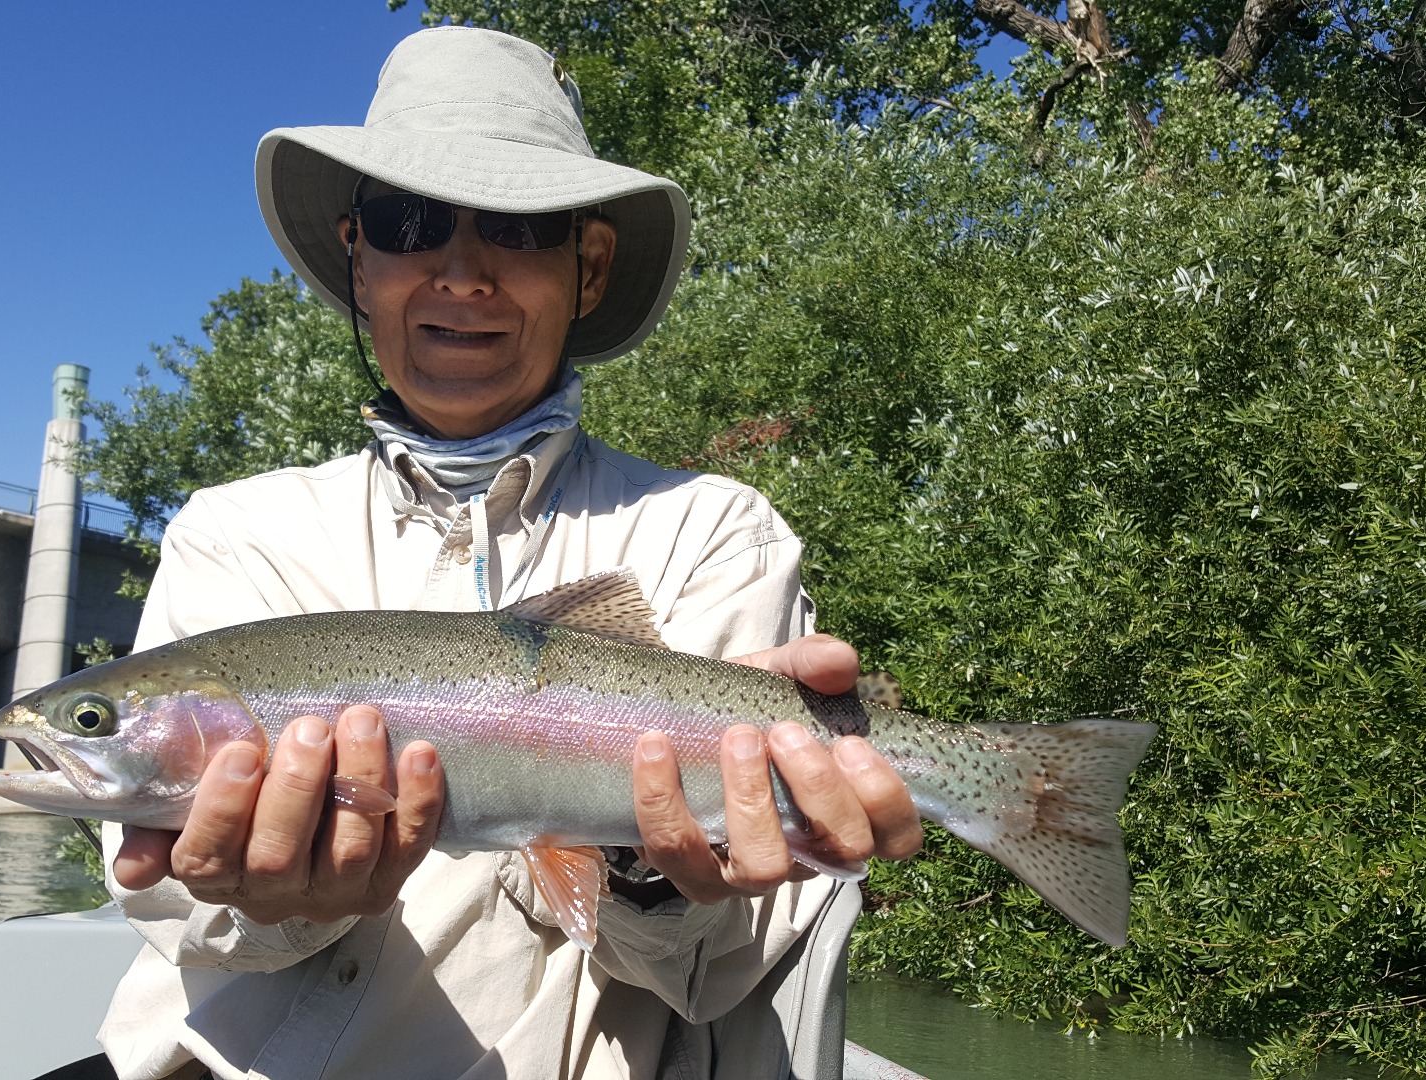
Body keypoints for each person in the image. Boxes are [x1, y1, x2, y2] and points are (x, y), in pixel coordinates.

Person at [95, 26, 921, 1080]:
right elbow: (176, 913)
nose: (462, 272)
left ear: (589, 267)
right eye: (409, 221)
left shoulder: (718, 533)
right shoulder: (236, 534)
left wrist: (651, 870)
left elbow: (712, 975)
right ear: (357, 256)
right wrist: (268, 905)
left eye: (520, 228)